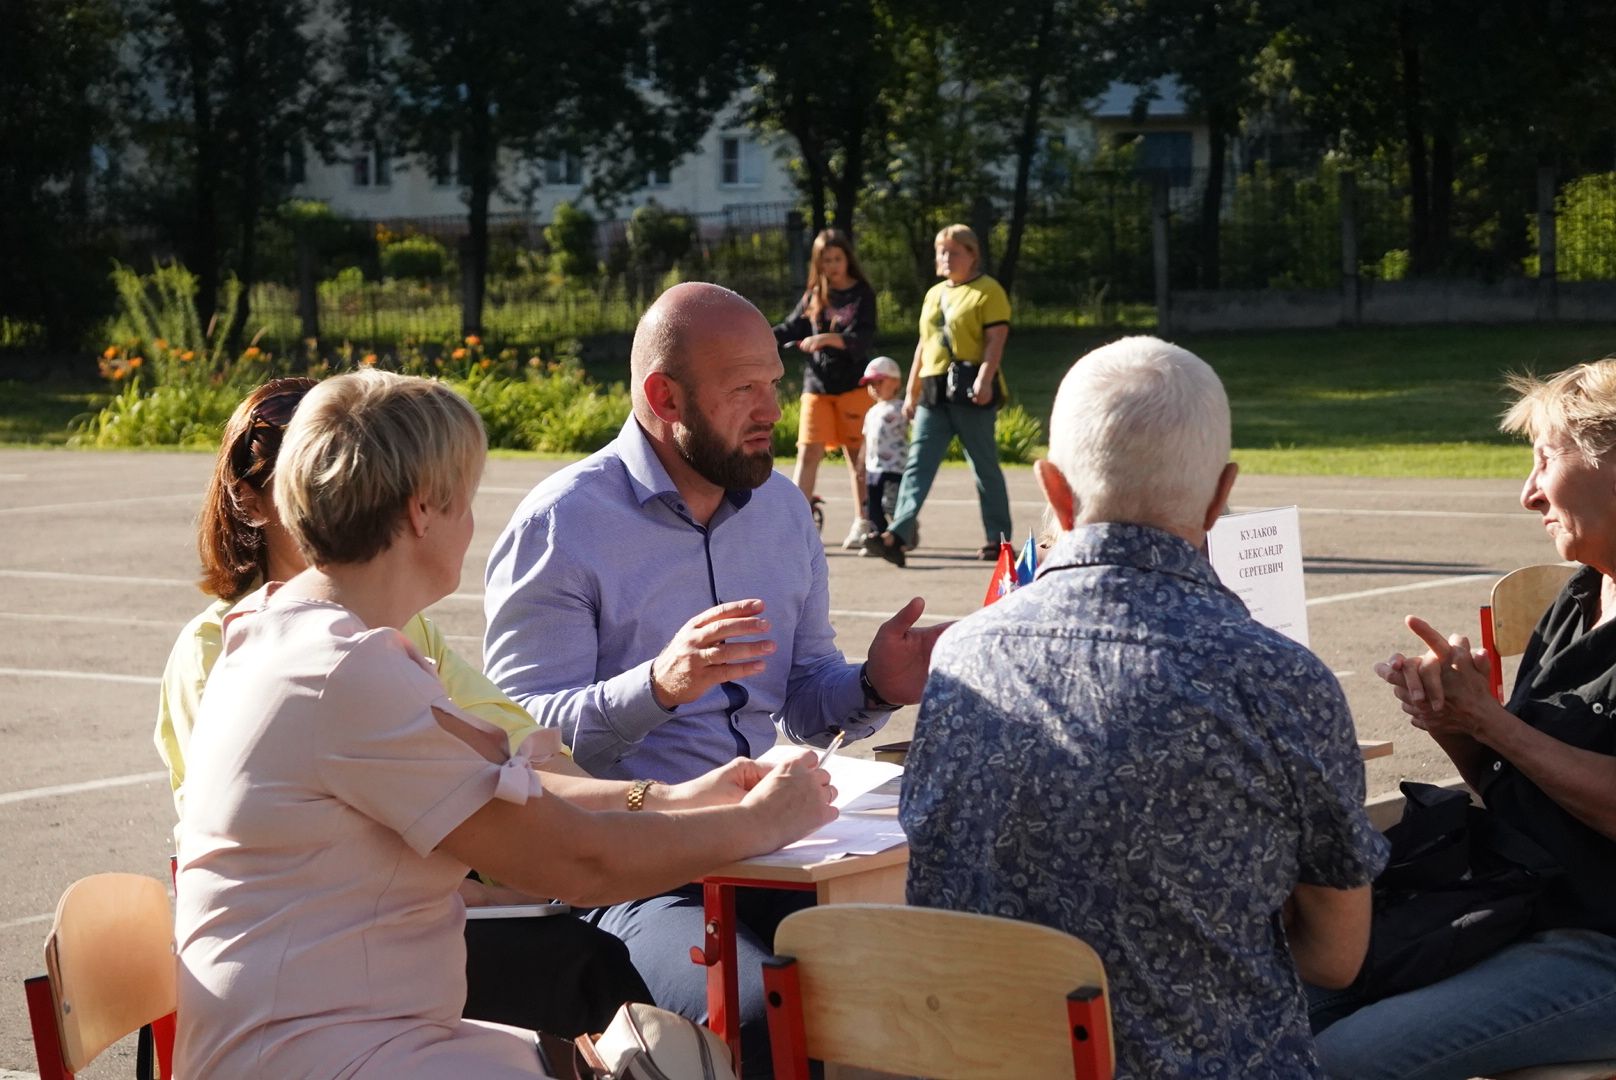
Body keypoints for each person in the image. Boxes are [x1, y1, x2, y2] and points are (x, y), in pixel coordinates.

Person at [174, 369, 836, 1078]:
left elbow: (505, 791)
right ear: (423, 509)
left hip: (342, 1033)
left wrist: (679, 797)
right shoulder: (345, 671)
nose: (472, 524)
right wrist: (763, 822)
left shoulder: (287, 630)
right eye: (468, 498)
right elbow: (575, 862)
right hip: (325, 1052)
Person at [483, 282, 944, 1074]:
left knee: (927, 988)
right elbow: (517, 745)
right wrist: (657, 685)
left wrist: (874, 684)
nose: (771, 407)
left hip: (788, 847)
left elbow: (803, 696)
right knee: (769, 1021)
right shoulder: (563, 524)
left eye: (773, 382)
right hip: (636, 873)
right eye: (743, 389)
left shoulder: (782, 513)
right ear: (665, 397)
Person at [900, 336, 1389, 1079]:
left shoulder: (962, 657)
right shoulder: (1278, 678)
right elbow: (1335, 956)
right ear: (1222, 496)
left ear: (1053, 491)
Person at [1313, 360, 1616, 1080]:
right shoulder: (1580, 598)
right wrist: (1458, 724)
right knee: (1283, 1002)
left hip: (1599, 940)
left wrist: (1495, 723)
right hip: (1520, 904)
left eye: (1547, 457)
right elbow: (1526, 789)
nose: (1527, 492)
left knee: (1338, 1061)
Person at [866, 223, 1012, 566]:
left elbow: (996, 340)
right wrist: (913, 390)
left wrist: (986, 379)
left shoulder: (988, 291)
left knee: (983, 465)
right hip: (934, 390)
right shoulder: (934, 294)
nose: (945, 257)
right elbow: (924, 344)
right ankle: (898, 535)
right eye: (941, 251)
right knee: (918, 464)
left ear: (972, 254)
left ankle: (998, 538)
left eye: (953, 251)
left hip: (970, 388)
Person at [771, 227, 879, 548]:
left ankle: (864, 521)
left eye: (837, 258)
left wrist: (828, 339)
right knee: (808, 451)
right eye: (825, 260)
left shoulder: (863, 295)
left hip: (854, 386)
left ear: (848, 259)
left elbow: (863, 340)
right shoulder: (814, 296)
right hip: (817, 386)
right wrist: (757, 332)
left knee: (858, 455)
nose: (832, 266)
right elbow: (790, 327)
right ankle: (797, 523)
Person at [857, 355, 907, 558]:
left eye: (879, 382)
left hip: (895, 467)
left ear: (895, 382)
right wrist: (860, 463)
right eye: (870, 384)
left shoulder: (902, 408)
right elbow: (866, 439)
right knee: (874, 505)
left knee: (892, 503)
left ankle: (900, 536)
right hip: (874, 467)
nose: (874, 387)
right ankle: (877, 538)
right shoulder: (871, 412)